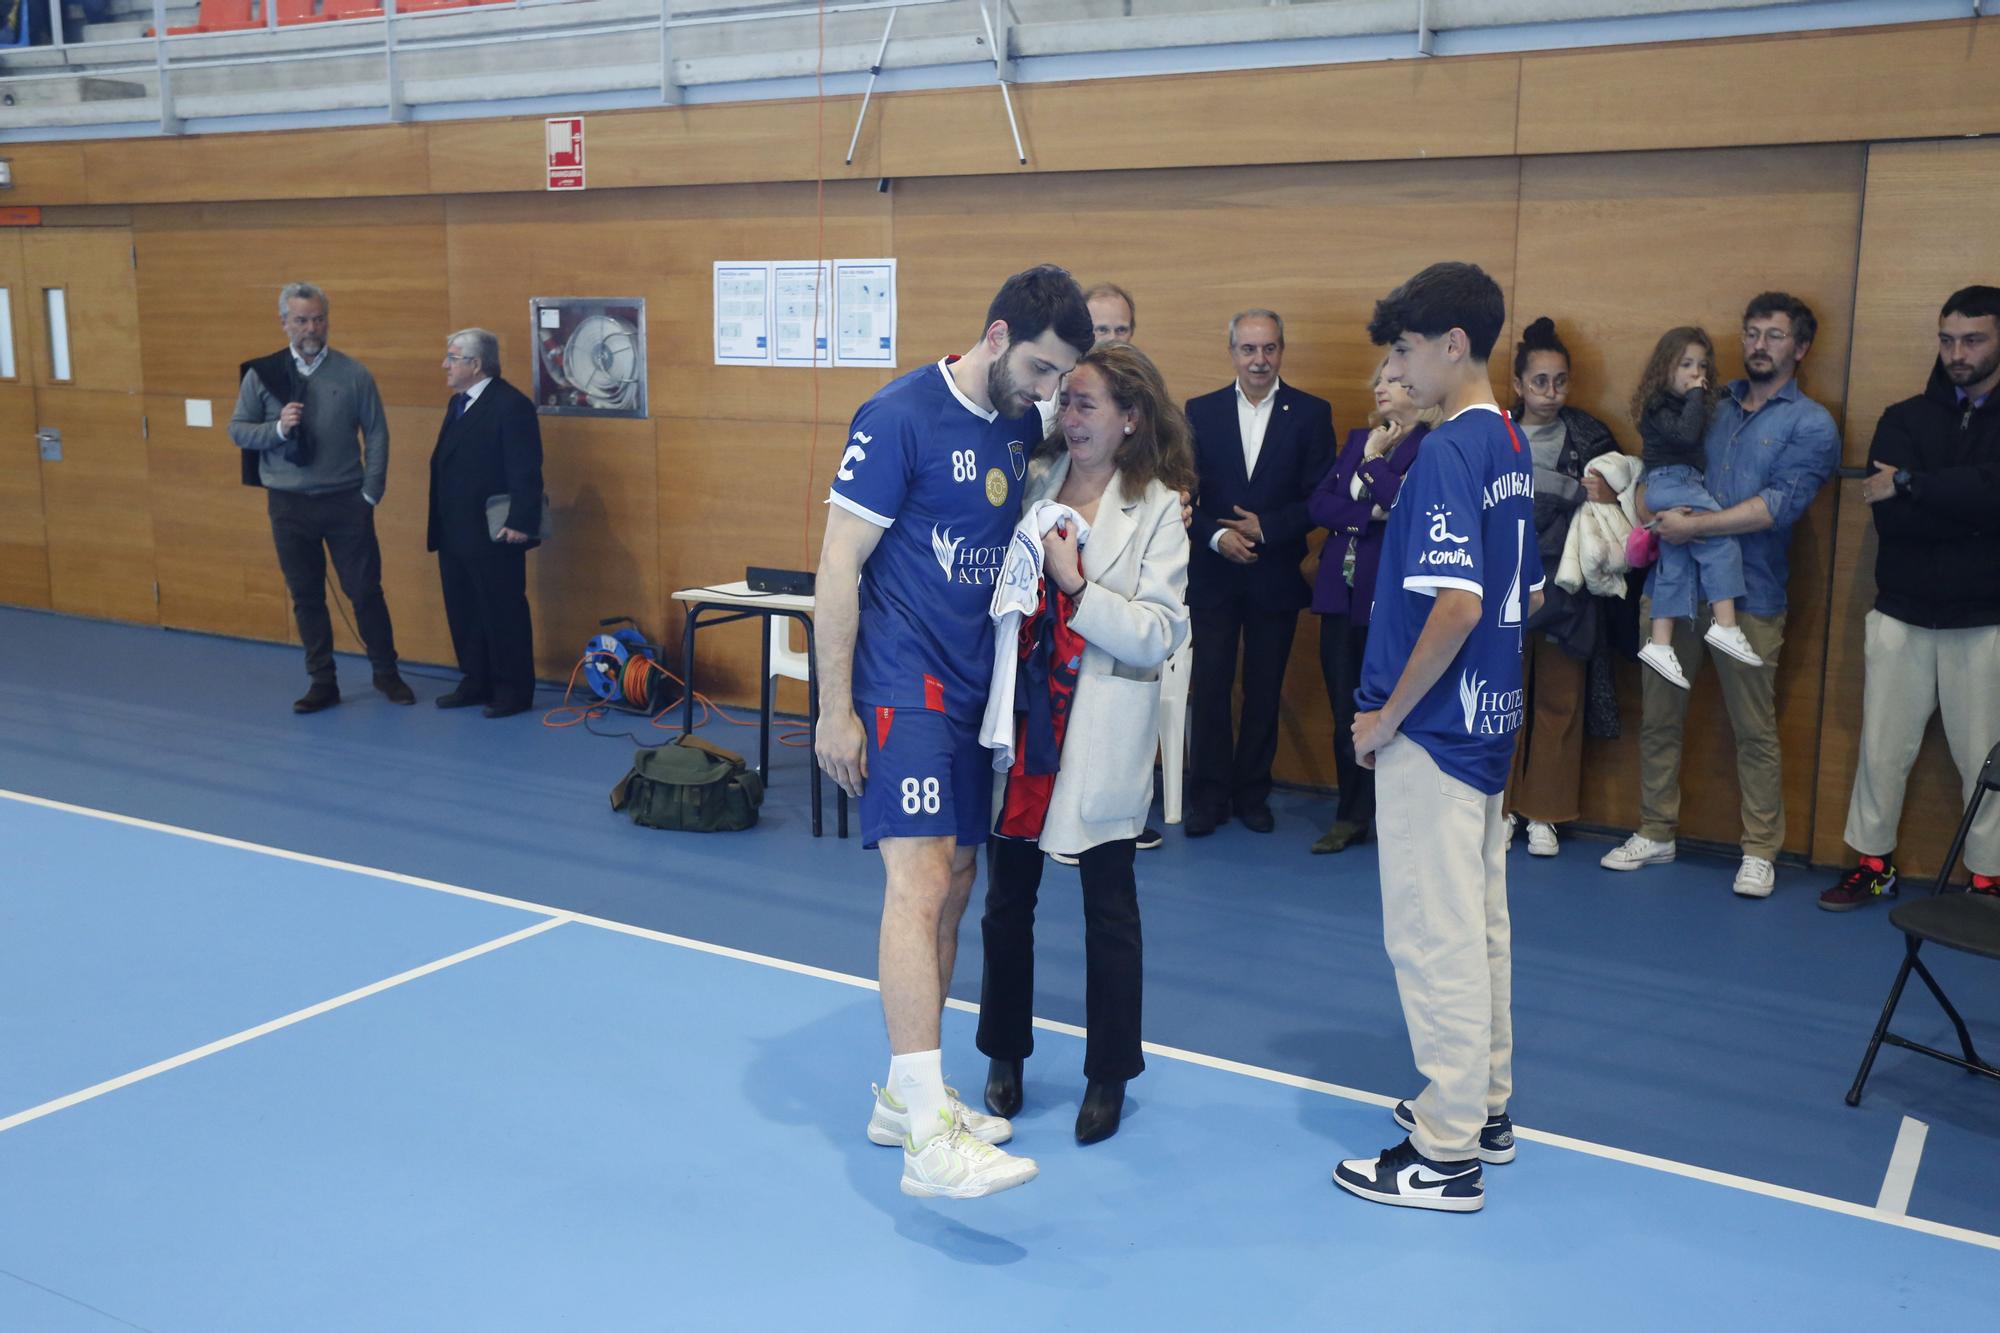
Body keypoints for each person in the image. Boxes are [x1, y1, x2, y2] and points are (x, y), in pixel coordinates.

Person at [817, 264, 1093, 1199]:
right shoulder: (895, 416)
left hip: (980, 687)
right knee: (921, 876)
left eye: (1060, 377)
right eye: (1042, 369)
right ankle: (929, 1139)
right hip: (903, 680)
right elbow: (836, 567)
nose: (1049, 392)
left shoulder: (1019, 422)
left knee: (959, 882)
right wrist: (832, 706)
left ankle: (909, 1095)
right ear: (997, 333)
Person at [1334, 261, 1541, 1214]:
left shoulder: (1451, 451)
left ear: (1454, 345)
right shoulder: (1506, 444)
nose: (1398, 370)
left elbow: (1457, 605)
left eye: (1407, 350)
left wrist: (1386, 716)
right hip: (1488, 727)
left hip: (1437, 734)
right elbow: (1524, 593)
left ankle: (1446, 1151)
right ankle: (1484, 1109)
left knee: (1433, 935)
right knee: (1480, 925)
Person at [977, 342, 1193, 1145]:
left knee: (1110, 911)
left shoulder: (1160, 507)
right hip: (1026, 727)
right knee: (1007, 904)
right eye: (1065, 401)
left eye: (1087, 404)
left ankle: (1109, 1073)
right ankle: (1003, 1052)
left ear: (1130, 419)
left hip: (1098, 731)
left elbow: (1159, 632)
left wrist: (1076, 585)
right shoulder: (1030, 483)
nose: (1069, 417)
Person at [1600, 292, 1839, 898]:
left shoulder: (1810, 423)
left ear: (1801, 348)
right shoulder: (1707, 401)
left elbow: (1777, 508)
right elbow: (1660, 467)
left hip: (1751, 595)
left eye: (1775, 335)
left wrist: (1695, 525)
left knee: (1753, 728)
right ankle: (1656, 830)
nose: (1759, 344)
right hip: (1674, 587)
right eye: (1752, 331)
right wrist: (1644, 501)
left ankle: (1760, 850)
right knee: (1658, 717)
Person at [1821, 284, 2000, 910]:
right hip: (1900, 614)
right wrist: (1963, 503)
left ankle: (1988, 882)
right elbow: (1891, 519)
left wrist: (1913, 484)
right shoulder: (1904, 417)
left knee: (1986, 761)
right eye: (1948, 339)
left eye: (1973, 339)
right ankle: (1873, 867)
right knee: (1881, 748)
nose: (1958, 352)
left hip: (1984, 620)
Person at [1183, 309, 1337, 837]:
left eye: (1269, 348)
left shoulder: (1312, 413)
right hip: (1213, 573)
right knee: (1210, 688)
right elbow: (1182, 496)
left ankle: (1252, 793)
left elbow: (1321, 499)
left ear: (1281, 351)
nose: (1259, 359)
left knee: (1265, 690)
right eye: (1248, 349)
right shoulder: (1198, 412)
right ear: (1232, 353)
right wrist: (1217, 536)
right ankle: (1207, 795)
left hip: (1274, 574)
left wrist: (1266, 528)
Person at [228, 282, 412, 714]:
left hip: (346, 501)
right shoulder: (263, 375)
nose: (312, 327)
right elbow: (238, 429)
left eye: (318, 318)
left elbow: (378, 432)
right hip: (289, 505)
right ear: (284, 323)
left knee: (365, 591)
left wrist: (371, 491)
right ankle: (322, 681)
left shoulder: (353, 373)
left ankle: (386, 673)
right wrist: (276, 430)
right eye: (302, 320)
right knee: (306, 595)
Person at [1305, 359, 1440, 854]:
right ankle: (1351, 813)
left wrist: (1373, 467)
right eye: (1379, 379)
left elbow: (1407, 505)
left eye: (1394, 381)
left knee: (1389, 707)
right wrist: (1368, 515)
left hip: (1388, 599)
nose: (1381, 387)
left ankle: (1397, 815)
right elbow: (1319, 504)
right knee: (1344, 706)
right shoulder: (1360, 436)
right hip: (1339, 596)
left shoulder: (1430, 445)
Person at [1499, 317, 1620, 859]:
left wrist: (1606, 494)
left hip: (1565, 589)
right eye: (1539, 381)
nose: (1551, 393)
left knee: (1558, 700)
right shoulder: (1491, 432)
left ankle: (1543, 814)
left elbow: (1619, 516)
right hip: (1498, 585)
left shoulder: (1593, 438)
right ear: (1519, 383)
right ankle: (1497, 808)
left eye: (1561, 381)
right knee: (1499, 700)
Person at [1630, 327, 1765, 689]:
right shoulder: (1658, 405)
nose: (1696, 373)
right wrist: (1694, 395)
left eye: (1702, 366)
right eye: (1686, 364)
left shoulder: (1680, 401)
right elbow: (1686, 434)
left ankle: (1659, 645)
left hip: (1678, 483)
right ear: (1664, 367)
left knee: (1675, 565)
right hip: (1672, 483)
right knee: (1721, 543)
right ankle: (1725, 626)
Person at [426, 328, 545, 719]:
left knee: (502, 610)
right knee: (464, 609)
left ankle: (513, 689)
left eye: (452, 357)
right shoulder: (457, 403)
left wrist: (520, 521)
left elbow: (525, 468)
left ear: (475, 364)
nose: (445, 364)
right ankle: (476, 679)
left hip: (495, 532)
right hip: (455, 530)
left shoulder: (510, 405)